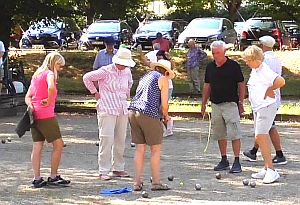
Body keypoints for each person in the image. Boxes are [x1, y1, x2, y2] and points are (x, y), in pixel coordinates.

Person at [83, 48, 135, 181]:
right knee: (106, 139)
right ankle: (103, 170)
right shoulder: (106, 71)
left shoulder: (127, 71)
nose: (124, 66)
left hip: (122, 108)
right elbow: (87, 77)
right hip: (107, 107)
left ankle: (118, 168)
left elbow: (129, 84)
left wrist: (127, 96)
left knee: (120, 139)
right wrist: (94, 92)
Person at [25, 52, 70, 188]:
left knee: (37, 145)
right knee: (58, 144)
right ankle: (53, 175)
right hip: (46, 114)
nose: (60, 69)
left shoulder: (37, 74)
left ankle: (37, 178)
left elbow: (28, 96)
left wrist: (31, 105)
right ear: (53, 63)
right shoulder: (50, 73)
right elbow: (51, 87)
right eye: (59, 66)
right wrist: (49, 100)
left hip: (34, 113)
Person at [129, 59, 174, 191]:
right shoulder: (163, 79)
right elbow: (164, 104)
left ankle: (137, 182)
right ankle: (156, 182)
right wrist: (166, 117)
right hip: (149, 113)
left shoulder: (145, 77)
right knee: (155, 149)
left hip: (133, 111)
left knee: (139, 149)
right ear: (166, 71)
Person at [242, 45, 285, 183]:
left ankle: (271, 170)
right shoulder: (256, 70)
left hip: (266, 106)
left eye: (248, 60)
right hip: (259, 107)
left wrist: (270, 90)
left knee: (260, 136)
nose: (247, 63)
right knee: (261, 137)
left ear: (255, 59)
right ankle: (266, 167)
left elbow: (280, 81)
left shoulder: (264, 69)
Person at [201, 41, 245, 173]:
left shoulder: (233, 66)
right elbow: (207, 85)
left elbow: (241, 84)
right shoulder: (210, 67)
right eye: (213, 53)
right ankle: (224, 159)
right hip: (215, 104)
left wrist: (241, 102)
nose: (215, 56)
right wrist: (203, 103)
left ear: (224, 52)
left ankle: (237, 161)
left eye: (218, 53)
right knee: (220, 133)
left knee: (234, 132)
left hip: (230, 103)